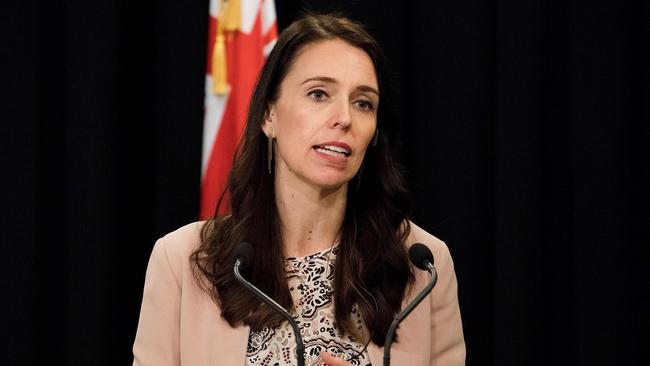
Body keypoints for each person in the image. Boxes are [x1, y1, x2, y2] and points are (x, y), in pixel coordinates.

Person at [133, 13, 465, 366]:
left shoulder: (423, 265)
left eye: (363, 102)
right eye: (319, 94)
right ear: (269, 115)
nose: (344, 118)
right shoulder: (183, 261)